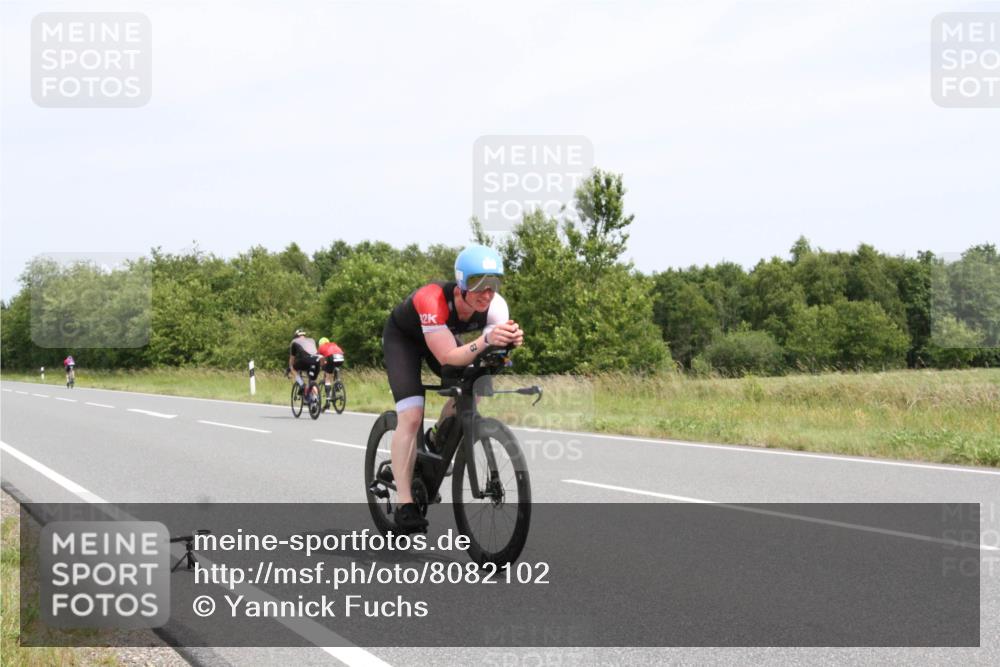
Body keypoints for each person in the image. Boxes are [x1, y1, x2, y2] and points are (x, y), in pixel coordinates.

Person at [382, 245, 524, 533]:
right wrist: (487, 341)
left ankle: (437, 439)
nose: (486, 293)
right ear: (461, 283)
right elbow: (448, 356)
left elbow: (486, 353)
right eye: (477, 284)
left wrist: (508, 342)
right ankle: (405, 503)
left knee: (477, 386)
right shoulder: (432, 299)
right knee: (411, 416)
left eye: (493, 284)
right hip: (405, 341)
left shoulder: (496, 305)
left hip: (441, 337)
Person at [286, 329, 322, 403]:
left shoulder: (294, 342)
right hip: (317, 360)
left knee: (293, 368)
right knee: (312, 381)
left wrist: (289, 368)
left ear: (296, 336)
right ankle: (316, 399)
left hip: (306, 359)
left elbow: (292, 358)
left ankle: (301, 384)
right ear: (304, 335)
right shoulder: (312, 340)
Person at [317, 337, 345, 410]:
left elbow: (321, 360)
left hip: (331, 357)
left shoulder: (321, 348)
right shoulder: (333, 344)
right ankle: (337, 382)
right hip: (341, 357)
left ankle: (328, 400)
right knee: (334, 367)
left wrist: (321, 367)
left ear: (320, 344)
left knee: (327, 377)